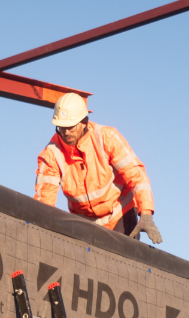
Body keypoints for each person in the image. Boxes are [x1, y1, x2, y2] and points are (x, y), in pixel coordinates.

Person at [34, 93, 162, 243]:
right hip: (84, 224)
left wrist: (146, 214)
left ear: (84, 121)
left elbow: (137, 175)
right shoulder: (51, 154)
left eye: (70, 127)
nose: (66, 132)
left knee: (120, 263)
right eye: (61, 128)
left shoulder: (107, 138)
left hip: (120, 216)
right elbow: (44, 202)